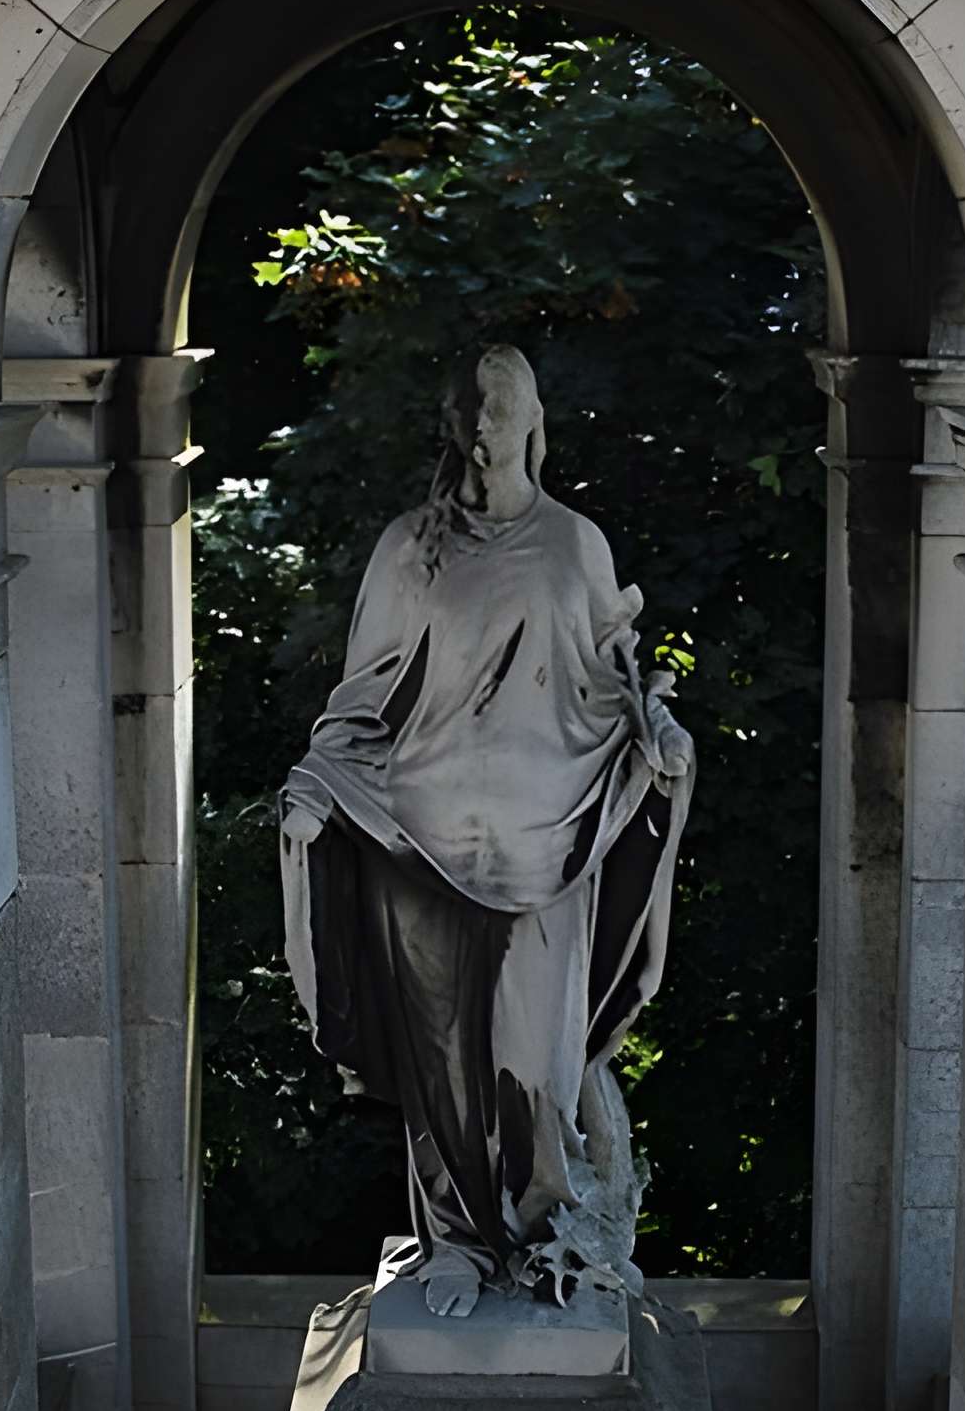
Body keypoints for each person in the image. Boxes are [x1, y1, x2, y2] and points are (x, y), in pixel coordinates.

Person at [279, 345, 694, 1317]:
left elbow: (614, 677)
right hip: (414, 840)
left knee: (526, 1061)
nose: (482, 426)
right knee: (441, 1065)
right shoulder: (407, 549)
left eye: (500, 408)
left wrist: (659, 732)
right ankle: (458, 1244)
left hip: (544, 845)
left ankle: (548, 1232)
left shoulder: (572, 546)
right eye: (469, 407)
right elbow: (362, 696)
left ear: (532, 421)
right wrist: (317, 784)